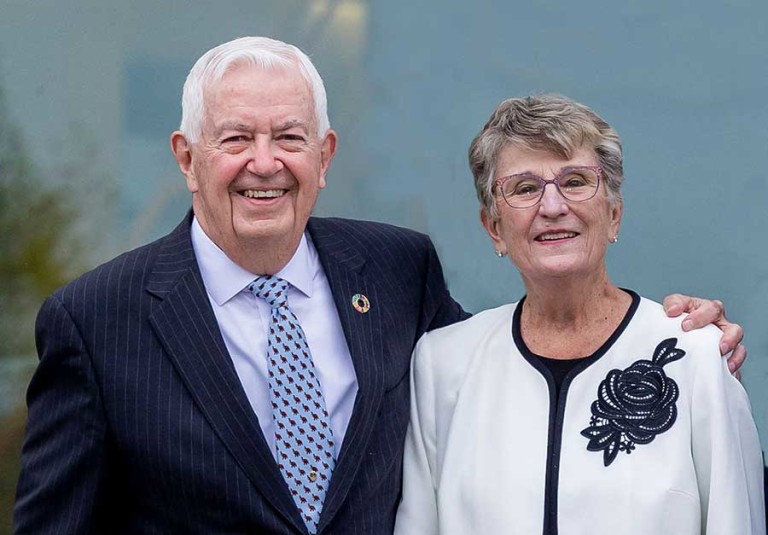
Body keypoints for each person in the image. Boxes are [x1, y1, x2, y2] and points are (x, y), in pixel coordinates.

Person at [14, 37, 746, 535]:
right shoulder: (96, 321)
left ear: (325, 155)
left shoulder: (397, 271)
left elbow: (520, 367)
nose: (264, 163)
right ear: (186, 156)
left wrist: (666, 339)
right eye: (236, 138)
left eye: (289, 137)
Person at [394, 95, 764, 534]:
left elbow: (735, 521)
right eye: (525, 189)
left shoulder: (696, 356)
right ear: (494, 228)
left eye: (575, 182)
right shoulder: (442, 365)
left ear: (613, 215)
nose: (552, 207)